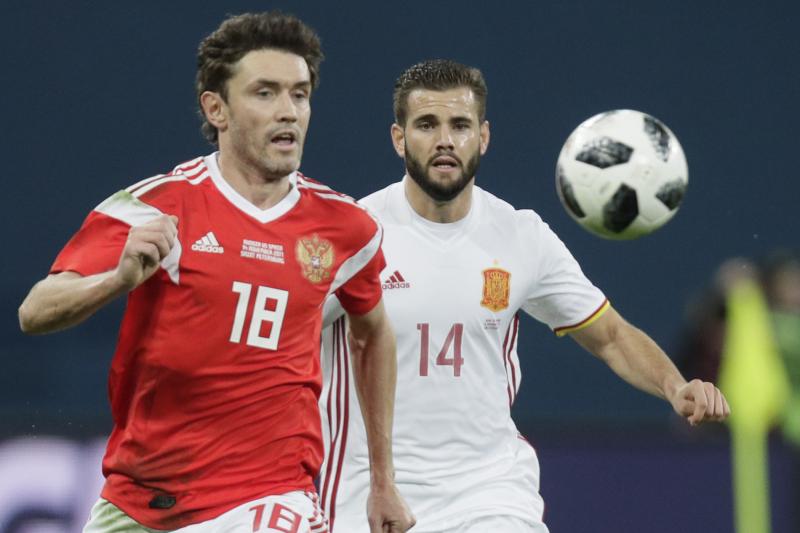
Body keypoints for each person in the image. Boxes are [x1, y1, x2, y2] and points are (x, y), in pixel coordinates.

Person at [17, 12, 414, 533]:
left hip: (272, 495)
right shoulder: (157, 206)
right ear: (216, 108)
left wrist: (383, 479)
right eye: (265, 93)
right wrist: (116, 280)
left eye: (299, 95)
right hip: (144, 500)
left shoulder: (346, 229)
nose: (288, 111)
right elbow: (35, 311)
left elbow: (373, 332)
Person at [318, 59, 730, 533]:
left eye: (460, 125)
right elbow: (287, 339)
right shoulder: (353, 234)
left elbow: (611, 336)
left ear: (484, 137)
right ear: (399, 138)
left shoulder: (520, 235)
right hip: (369, 494)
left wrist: (675, 386)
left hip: (489, 493)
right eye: (427, 125)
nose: (445, 140)